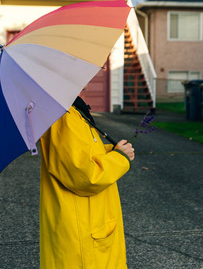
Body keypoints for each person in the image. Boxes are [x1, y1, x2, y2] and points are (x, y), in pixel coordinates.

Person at [39, 95, 135, 269]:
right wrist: (120, 158)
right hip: (82, 232)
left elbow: (82, 153)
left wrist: (112, 150)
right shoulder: (64, 117)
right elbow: (85, 175)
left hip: (87, 225)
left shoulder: (73, 110)